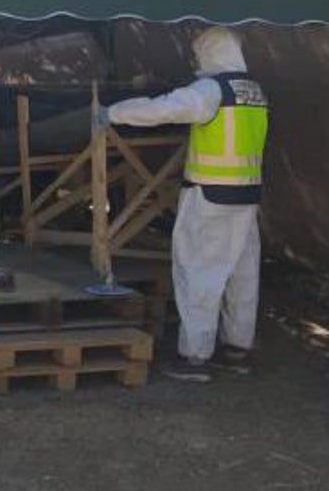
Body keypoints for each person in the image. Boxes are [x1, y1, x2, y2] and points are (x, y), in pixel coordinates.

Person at [101, 27, 268, 383]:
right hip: (247, 197)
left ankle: (194, 357)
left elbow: (164, 109)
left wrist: (113, 112)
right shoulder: (254, 92)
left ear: (209, 52)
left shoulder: (211, 91)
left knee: (199, 273)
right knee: (242, 275)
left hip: (210, 197)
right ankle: (237, 349)